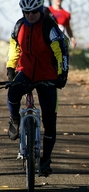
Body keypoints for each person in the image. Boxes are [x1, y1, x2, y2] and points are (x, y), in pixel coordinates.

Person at [6, 0, 69, 176]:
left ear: (40, 9)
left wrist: (62, 75)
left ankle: (46, 160)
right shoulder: (19, 26)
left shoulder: (49, 26)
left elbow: (61, 51)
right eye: (26, 12)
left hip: (47, 74)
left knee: (50, 122)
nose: (30, 15)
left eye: (33, 11)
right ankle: (15, 120)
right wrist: (11, 68)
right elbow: (14, 48)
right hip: (25, 71)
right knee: (12, 93)